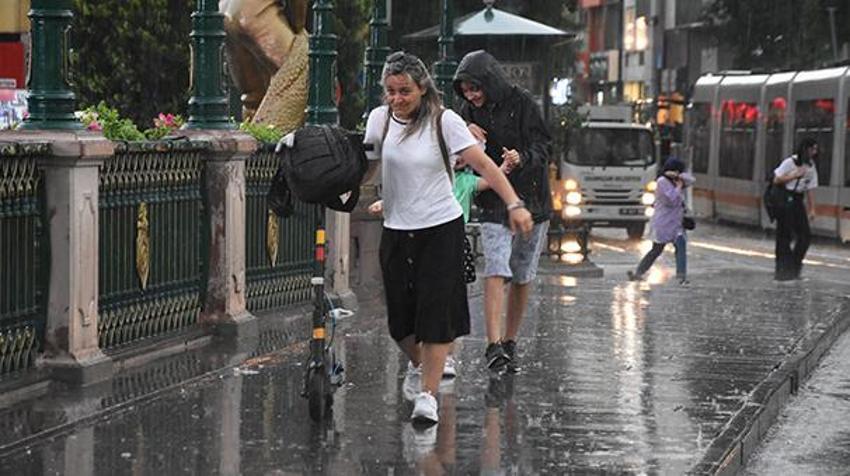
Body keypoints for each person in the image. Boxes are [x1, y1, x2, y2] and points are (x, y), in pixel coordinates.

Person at [363, 51, 533, 425]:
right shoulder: (380, 122)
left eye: (404, 91)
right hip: (396, 228)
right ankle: (422, 366)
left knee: (435, 314)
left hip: (441, 227)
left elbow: (485, 166)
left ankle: (428, 395)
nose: (397, 99)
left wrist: (515, 204)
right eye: (390, 92)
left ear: (422, 88)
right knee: (400, 322)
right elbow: (367, 164)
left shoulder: (445, 121)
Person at [452, 50, 552, 374]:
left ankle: (510, 340)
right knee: (496, 267)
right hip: (494, 198)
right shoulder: (467, 111)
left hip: (533, 200)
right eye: (466, 90)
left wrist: (522, 157)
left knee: (522, 274)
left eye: (476, 88)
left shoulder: (524, 104)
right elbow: (451, 143)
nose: (472, 96)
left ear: (490, 83)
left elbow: (544, 147)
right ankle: (493, 344)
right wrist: (466, 126)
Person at [627, 157, 695, 285]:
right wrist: (679, 186)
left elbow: (691, 180)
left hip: (676, 223)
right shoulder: (662, 182)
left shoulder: (676, 180)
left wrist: (678, 177)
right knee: (656, 250)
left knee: (681, 247)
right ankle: (639, 272)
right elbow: (672, 199)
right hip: (663, 223)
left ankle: (681, 276)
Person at [772, 138, 819, 281]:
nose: (815, 152)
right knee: (784, 236)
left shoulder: (811, 166)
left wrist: (812, 209)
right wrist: (794, 175)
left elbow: (810, 189)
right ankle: (782, 270)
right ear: (806, 149)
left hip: (798, 201)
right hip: (785, 199)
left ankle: (793, 266)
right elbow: (776, 180)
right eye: (813, 149)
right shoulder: (789, 162)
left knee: (805, 236)